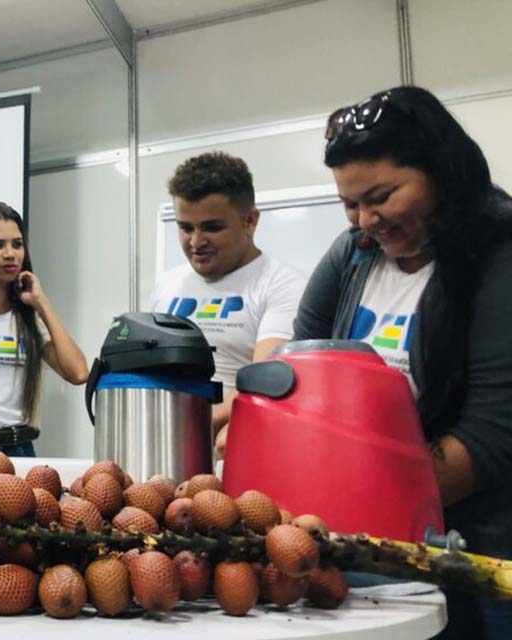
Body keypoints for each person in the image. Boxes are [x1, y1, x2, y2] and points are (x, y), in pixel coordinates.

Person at [295, 86, 512, 639]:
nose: (366, 219)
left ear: (442, 173)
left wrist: (347, 504)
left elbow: (490, 440)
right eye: (349, 203)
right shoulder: (354, 255)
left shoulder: (499, 252)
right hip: (370, 543)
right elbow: (301, 367)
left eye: (382, 196)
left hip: (481, 552)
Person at [149, 152, 306, 457]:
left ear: (250, 220)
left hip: (242, 457)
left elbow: (264, 378)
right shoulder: (166, 286)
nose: (196, 242)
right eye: (185, 227)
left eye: (211, 227)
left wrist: (188, 426)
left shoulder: (284, 285)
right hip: (166, 453)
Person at [0, 202, 89, 456]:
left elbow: (78, 372)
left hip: (20, 447)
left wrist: (41, 302)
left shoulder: (28, 318)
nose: (10, 254)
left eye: (17, 244)